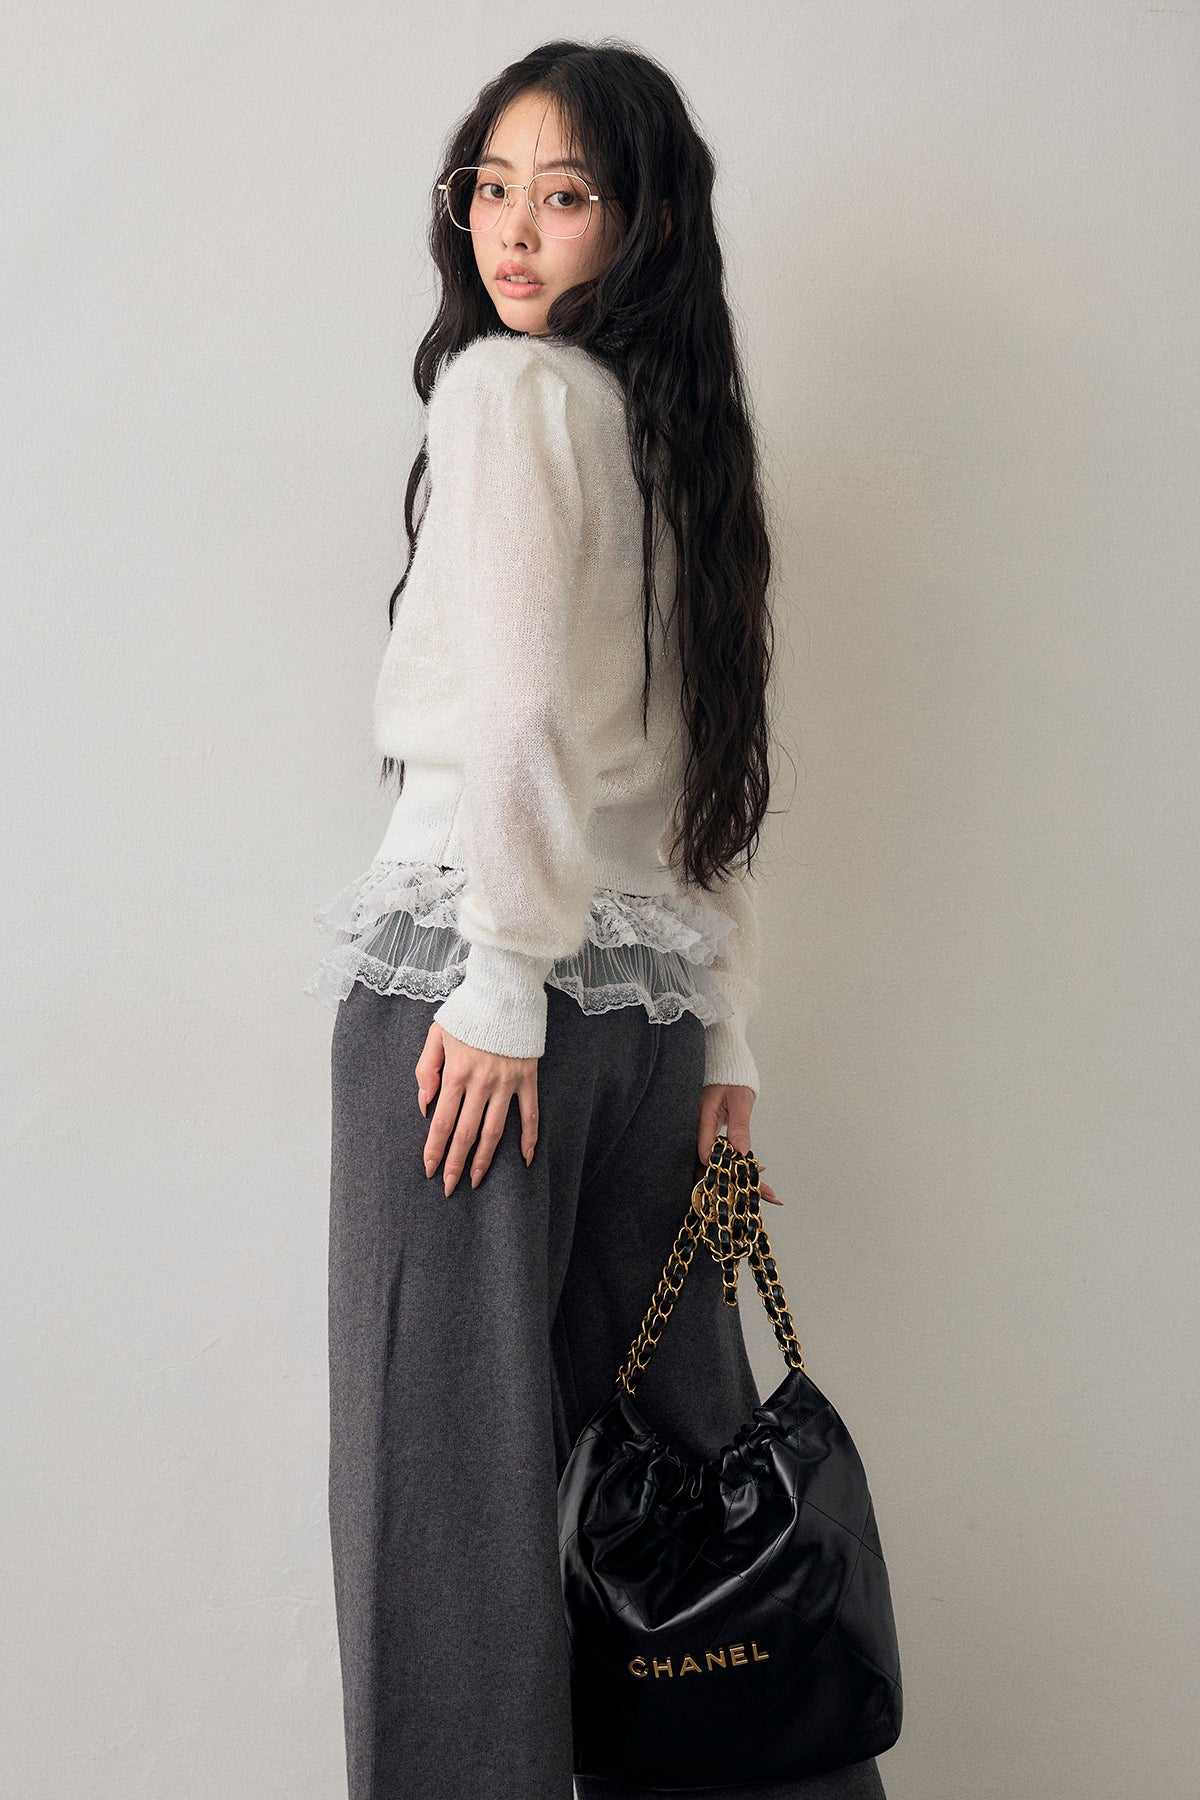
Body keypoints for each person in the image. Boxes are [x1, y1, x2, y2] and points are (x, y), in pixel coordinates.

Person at [306, 36, 888, 1800]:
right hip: (647, 1020)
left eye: (564, 196)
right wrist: (725, 1031)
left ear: (642, 225)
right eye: (491, 186)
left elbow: (521, 721)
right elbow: (712, 764)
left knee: (446, 1504)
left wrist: (495, 984)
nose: (513, 228)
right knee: (690, 1477)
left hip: (484, 1005)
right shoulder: (681, 439)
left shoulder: (508, 395)